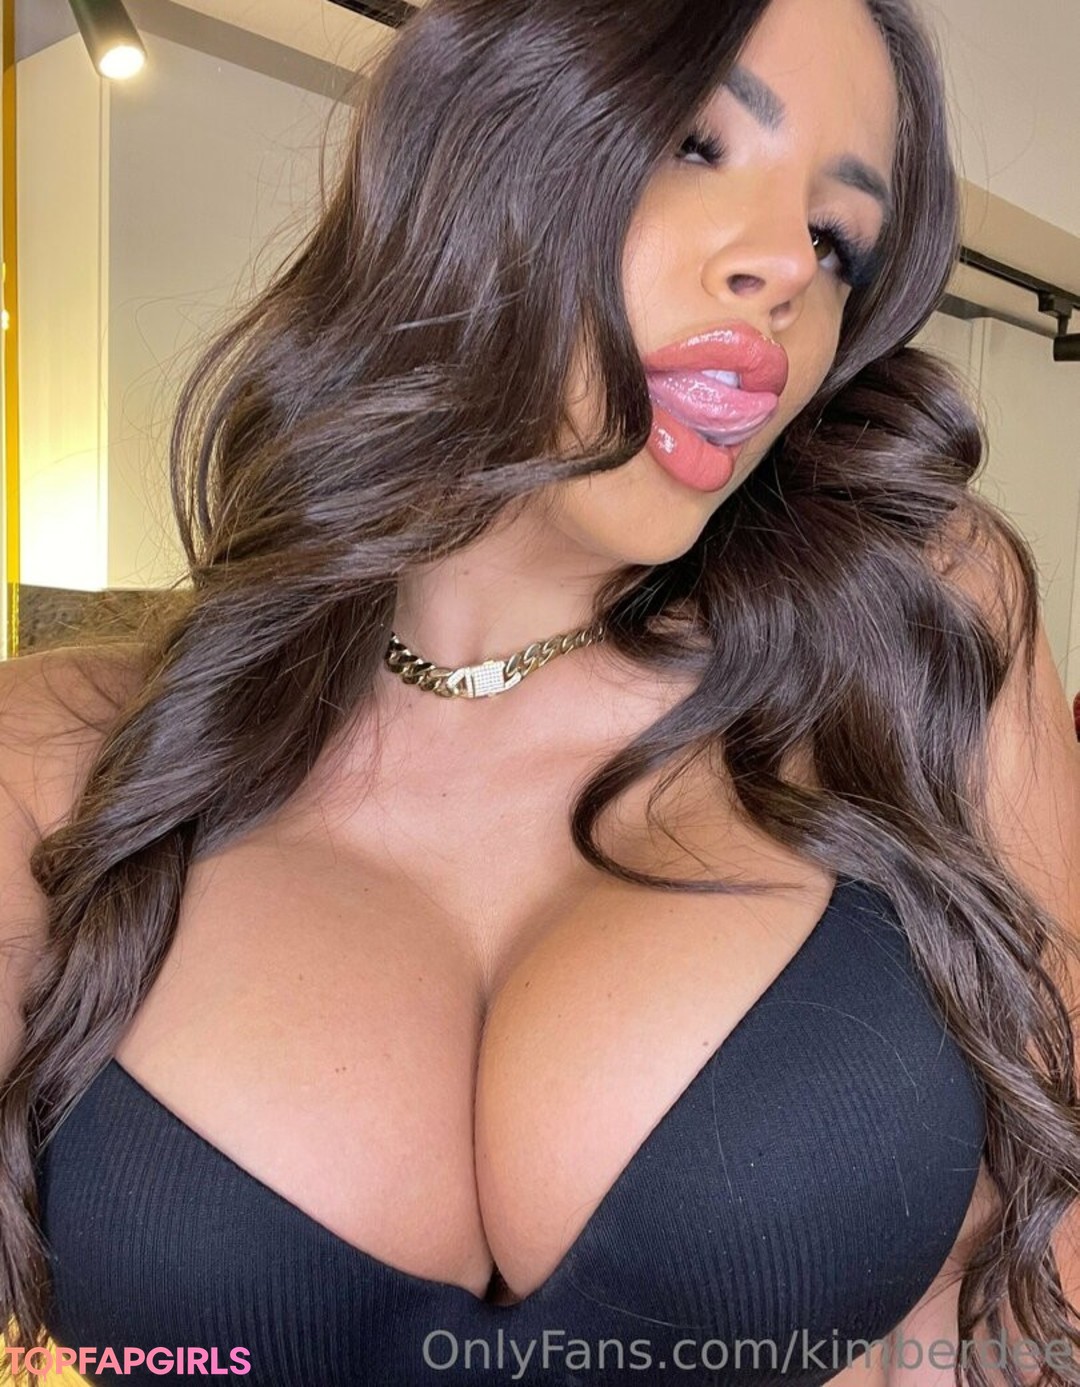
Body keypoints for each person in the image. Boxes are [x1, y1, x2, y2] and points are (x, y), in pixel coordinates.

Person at [0, 0, 1078, 1383]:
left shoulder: (917, 630)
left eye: (835, 239)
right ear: (474, 140)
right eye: (694, 143)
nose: (781, 272)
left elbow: (1049, 1251)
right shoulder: (58, 760)